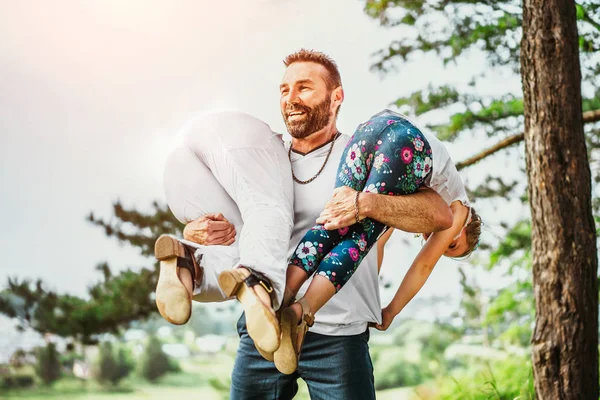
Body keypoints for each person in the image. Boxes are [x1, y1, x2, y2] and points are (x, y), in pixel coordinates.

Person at [157, 49, 453, 399]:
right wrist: (197, 232)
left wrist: (367, 203)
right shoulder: (259, 158)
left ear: (336, 97)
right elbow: (230, 225)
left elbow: (438, 213)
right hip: (263, 329)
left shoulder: (363, 154)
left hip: (339, 338)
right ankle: (190, 266)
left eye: (304, 88)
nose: (290, 99)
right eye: (284, 90)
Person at [274, 109, 482, 374]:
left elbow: (378, 244)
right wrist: (391, 311)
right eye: (452, 244)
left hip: (372, 129)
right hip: (407, 145)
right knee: (358, 235)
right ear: (465, 228)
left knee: (336, 216)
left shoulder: (410, 192)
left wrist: (374, 298)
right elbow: (423, 266)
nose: (440, 244)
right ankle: (302, 310)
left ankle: (283, 296)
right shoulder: (460, 210)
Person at [154, 109, 294, 354]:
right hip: (234, 139)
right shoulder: (293, 154)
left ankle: (187, 261)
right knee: (269, 210)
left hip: (178, 169)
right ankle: (257, 283)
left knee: (236, 251)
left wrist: (189, 234)